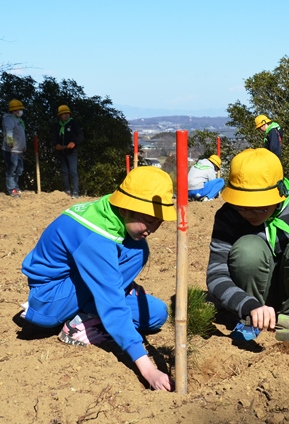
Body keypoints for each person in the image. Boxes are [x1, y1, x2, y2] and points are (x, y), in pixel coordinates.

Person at [21, 166, 177, 391]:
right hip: (49, 299)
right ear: (126, 209)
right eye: (149, 220)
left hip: (78, 287)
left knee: (155, 314)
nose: (153, 229)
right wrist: (148, 369)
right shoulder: (94, 235)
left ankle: (90, 312)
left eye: (159, 222)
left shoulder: (113, 210)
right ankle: (80, 323)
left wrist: (126, 283)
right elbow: (112, 302)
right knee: (125, 272)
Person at [206, 148, 289, 341]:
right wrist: (247, 306)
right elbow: (215, 274)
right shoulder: (228, 216)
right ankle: (250, 321)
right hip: (251, 301)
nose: (250, 214)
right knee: (247, 248)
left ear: (281, 193)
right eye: (242, 206)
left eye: (261, 207)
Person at [53, 105, 84, 198]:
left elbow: (81, 136)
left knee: (73, 172)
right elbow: (54, 137)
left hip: (72, 152)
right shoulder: (58, 125)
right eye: (63, 114)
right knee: (64, 171)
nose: (66, 115)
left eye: (67, 113)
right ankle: (67, 190)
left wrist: (74, 143)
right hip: (61, 151)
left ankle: (75, 191)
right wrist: (56, 144)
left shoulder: (73, 123)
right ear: (60, 116)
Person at [2, 99, 26, 197]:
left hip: (19, 150)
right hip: (11, 150)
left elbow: (21, 135)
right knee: (12, 170)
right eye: (19, 109)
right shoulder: (8, 119)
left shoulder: (18, 120)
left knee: (19, 170)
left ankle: (15, 187)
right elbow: (9, 132)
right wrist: (10, 143)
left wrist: (24, 146)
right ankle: (12, 189)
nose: (20, 111)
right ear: (14, 110)